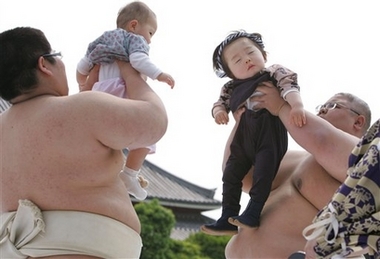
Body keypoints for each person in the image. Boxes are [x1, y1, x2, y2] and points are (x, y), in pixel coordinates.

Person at [0, 26, 167, 258]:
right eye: (56, 57)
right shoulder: (82, 108)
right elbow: (154, 123)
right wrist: (131, 74)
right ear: (44, 65)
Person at [223, 82, 372, 258]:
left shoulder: (366, 158)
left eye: (332, 106)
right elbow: (238, 175)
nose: (322, 110)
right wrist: (243, 121)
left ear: (358, 121)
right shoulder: (292, 158)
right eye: (321, 106)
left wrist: (280, 106)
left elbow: (322, 139)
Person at [201, 30, 306, 235]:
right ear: (231, 73)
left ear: (264, 55)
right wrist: (219, 112)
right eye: (237, 60)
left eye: (250, 52)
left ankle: (253, 212)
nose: (246, 59)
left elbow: (289, 87)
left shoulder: (274, 72)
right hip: (243, 135)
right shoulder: (230, 88)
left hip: (269, 131)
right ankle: (227, 216)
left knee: (263, 174)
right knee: (231, 173)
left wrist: (297, 106)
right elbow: (218, 103)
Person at [77, 1, 175, 201]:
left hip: (98, 95)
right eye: (150, 33)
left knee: (104, 141)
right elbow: (139, 61)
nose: (150, 40)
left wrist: (82, 83)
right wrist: (159, 75)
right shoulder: (134, 40)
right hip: (122, 93)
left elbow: (83, 65)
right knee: (147, 134)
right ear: (134, 25)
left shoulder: (100, 41)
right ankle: (130, 173)